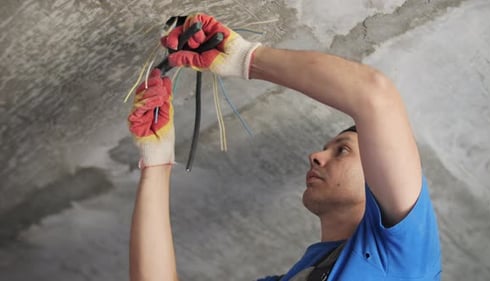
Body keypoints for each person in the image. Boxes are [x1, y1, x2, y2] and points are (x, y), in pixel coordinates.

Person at [127, 13, 441, 281]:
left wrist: (246, 57)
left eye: (342, 150)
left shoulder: (406, 258)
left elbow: (376, 96)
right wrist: (156, 160)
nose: (316, 156)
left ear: (376, 175)